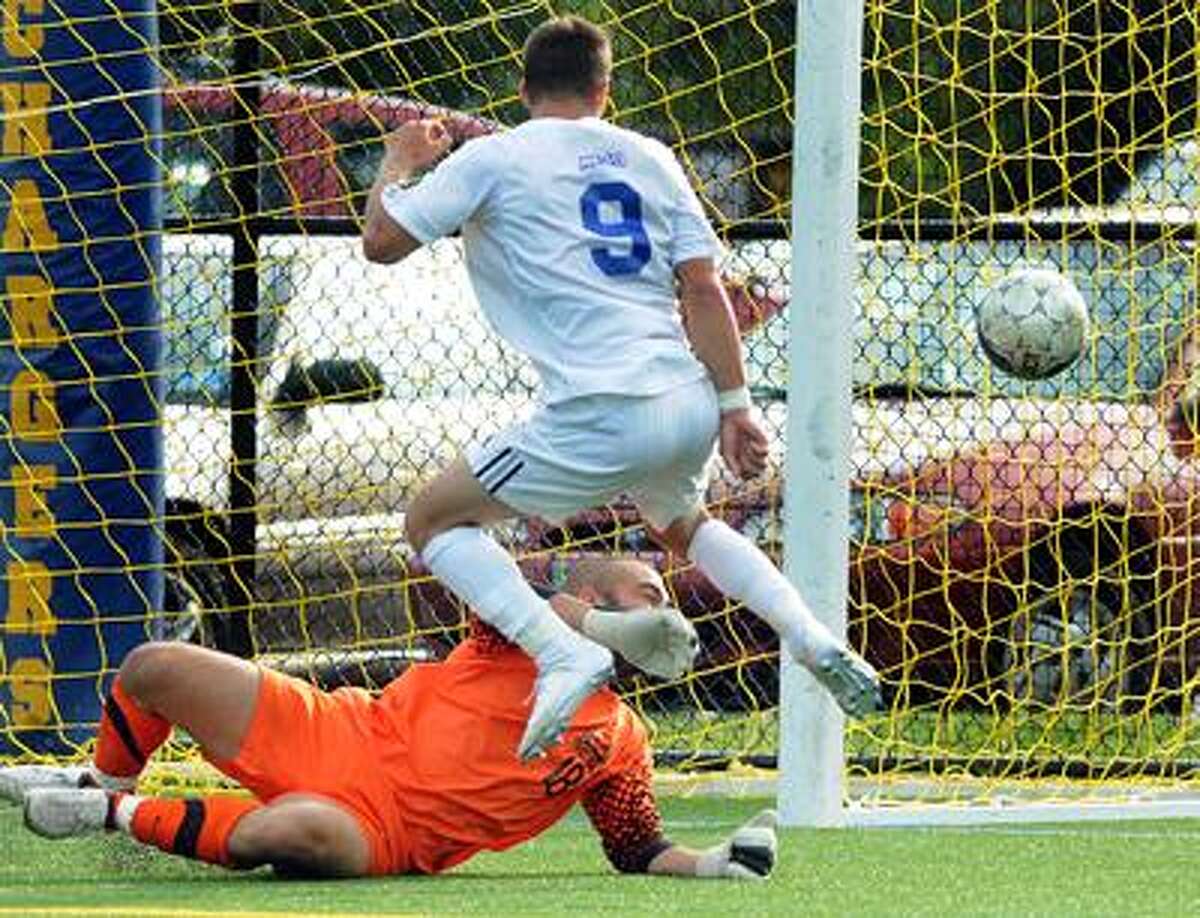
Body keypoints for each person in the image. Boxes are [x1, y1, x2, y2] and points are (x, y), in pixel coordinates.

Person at [360, 14, 881, 760]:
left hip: (597, 411)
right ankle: (806, 631)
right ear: (605, 90)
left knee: (434, 523)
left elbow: (381, 243)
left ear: (522, 88)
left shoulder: (495, 157)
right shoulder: (651, 157)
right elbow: (703, 287)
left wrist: (398, 161)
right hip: (686, 401)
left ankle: (562, 650)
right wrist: (735, 407)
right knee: (684, 524)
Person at [0, 559, 777, 880]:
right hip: (340, 728)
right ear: (595, 600)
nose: (665, 605)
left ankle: (109, 813)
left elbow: (639, 846)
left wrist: (714, 863)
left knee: (290, 834)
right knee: (154, 666)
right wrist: (600, 629)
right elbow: (504, 593)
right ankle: (99, 776)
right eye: (645, 593)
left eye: (665, 598)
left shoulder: (624, 738)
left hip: (383, 831)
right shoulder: (518, 631)